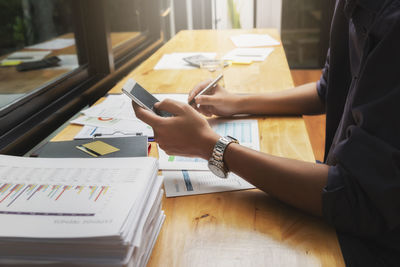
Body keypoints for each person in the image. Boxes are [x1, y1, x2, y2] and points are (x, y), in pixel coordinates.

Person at [132, 0, 400, 265]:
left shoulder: (393, 22)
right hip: (345, 197)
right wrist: (236, 102)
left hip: (375, 241)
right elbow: (327, 89)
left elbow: (357, 196)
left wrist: (210, 146)